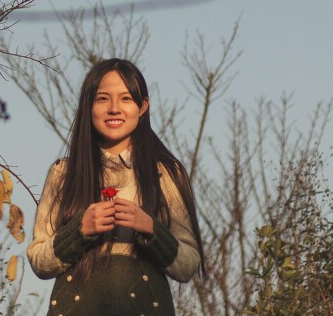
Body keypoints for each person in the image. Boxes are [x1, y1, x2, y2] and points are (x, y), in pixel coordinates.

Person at [28, 58, 203, 316]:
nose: (114, 109)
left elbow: (188, 265)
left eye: (125, 99)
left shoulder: (165, 173)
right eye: (102, 99)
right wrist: (79, 231)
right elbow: (39, 260)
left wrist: (152, 229)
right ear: (88, 106)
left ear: (143, 106)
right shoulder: (63, 174)